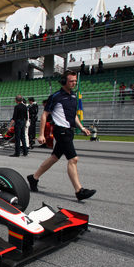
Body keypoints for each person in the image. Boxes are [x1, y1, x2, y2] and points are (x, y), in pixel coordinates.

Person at [27, 70, 95, 201]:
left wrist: (81, 127)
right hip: (61, 131)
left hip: (69, 131)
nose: (74, 83)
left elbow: (73, 115)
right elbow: (45, 115)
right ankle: (79, 190)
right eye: (71, 81)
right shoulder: (56, 96)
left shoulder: (74, 96)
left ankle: (33, 178)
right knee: (73, 159)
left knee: (54, 157)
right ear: (64, 81)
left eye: (75, 81)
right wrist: (41, 134)